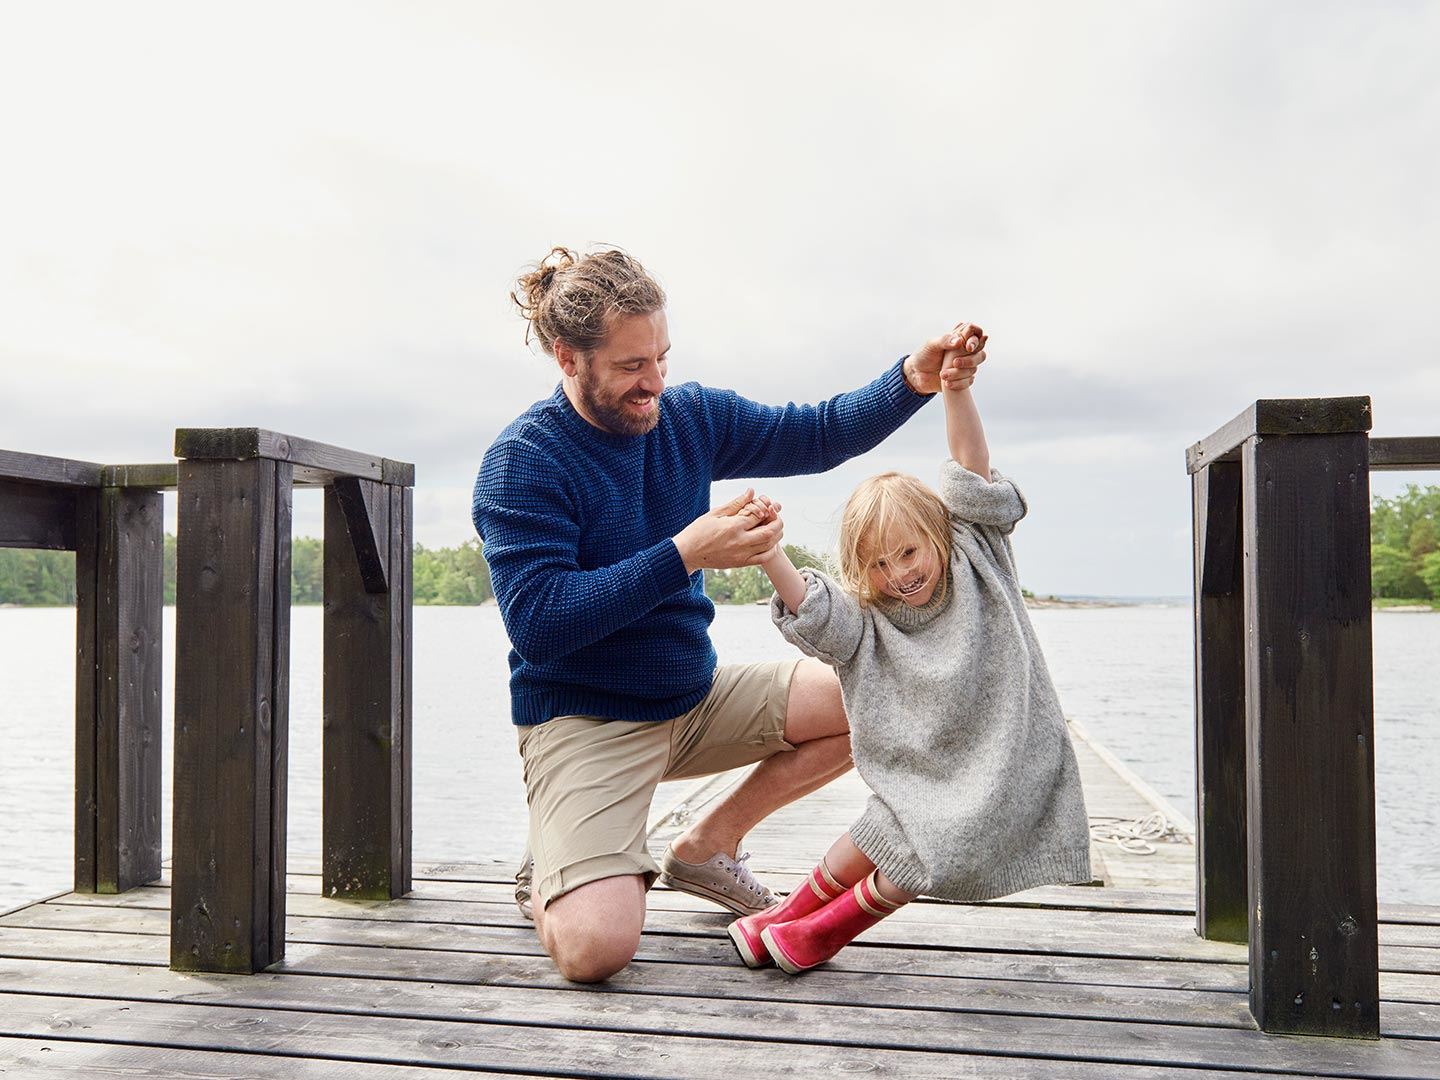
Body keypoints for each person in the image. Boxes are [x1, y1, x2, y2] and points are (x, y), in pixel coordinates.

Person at [471, 245, 985, 982]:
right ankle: (552, 869)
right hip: (585, 720)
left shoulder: (688, 417)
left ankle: (710, 843)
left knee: (883, 689)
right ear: (567, 357)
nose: (653, 383)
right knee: (595, 952)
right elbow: (541, 623)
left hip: (694, 698)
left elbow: (814, 433)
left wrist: (911, 379)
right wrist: (685, 551)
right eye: (629, 367)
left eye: (661, 358)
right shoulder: (523, 463)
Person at [725, 330, 1092, 974]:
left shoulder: (979, 551)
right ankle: (782, 921)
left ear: (940, 533)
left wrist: (956, 389)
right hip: (927, 772)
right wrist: (770, 554)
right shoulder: (873, 617)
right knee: (876, 831)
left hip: (1004, 764)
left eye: (910, 552)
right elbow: (821, 616)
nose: (900, 573)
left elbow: (971, 469)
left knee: (927, 846)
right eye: (881, 564)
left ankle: (822, 932)